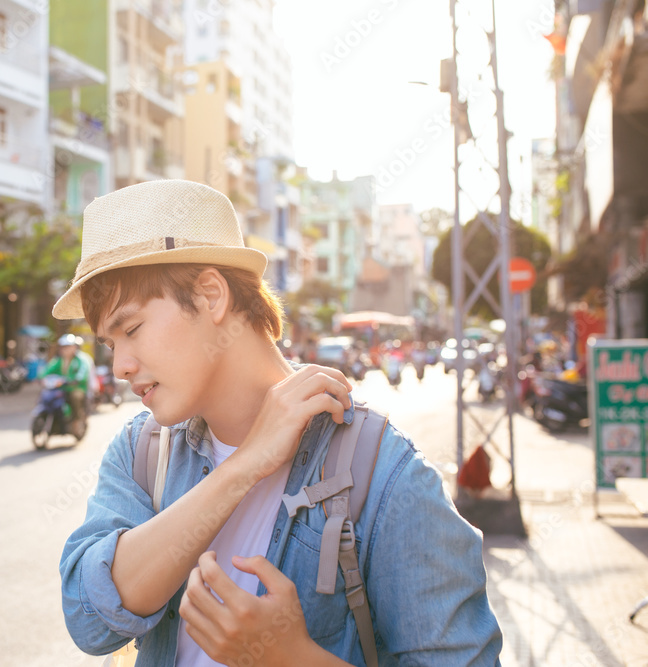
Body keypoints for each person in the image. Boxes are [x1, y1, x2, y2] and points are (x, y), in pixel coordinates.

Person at [55, 180, 502, 666]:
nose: (119, 365)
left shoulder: (385, 475)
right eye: (109, 344)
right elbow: (90, 620)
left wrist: (292, 659)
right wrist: (245, 465)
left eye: (133, 329)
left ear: (210, 296)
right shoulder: (143, 452)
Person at [41, 334, 90, 435]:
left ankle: (76, 421)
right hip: (61, 388)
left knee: (75, 397)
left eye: (67, 347)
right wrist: (41, 377)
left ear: (74, 348)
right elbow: (47, 370)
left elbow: (82, 372)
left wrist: (76, 379)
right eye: (63, 347)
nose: (64, 350)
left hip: (75, 388)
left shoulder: (80, 360)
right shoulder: (58, 360)